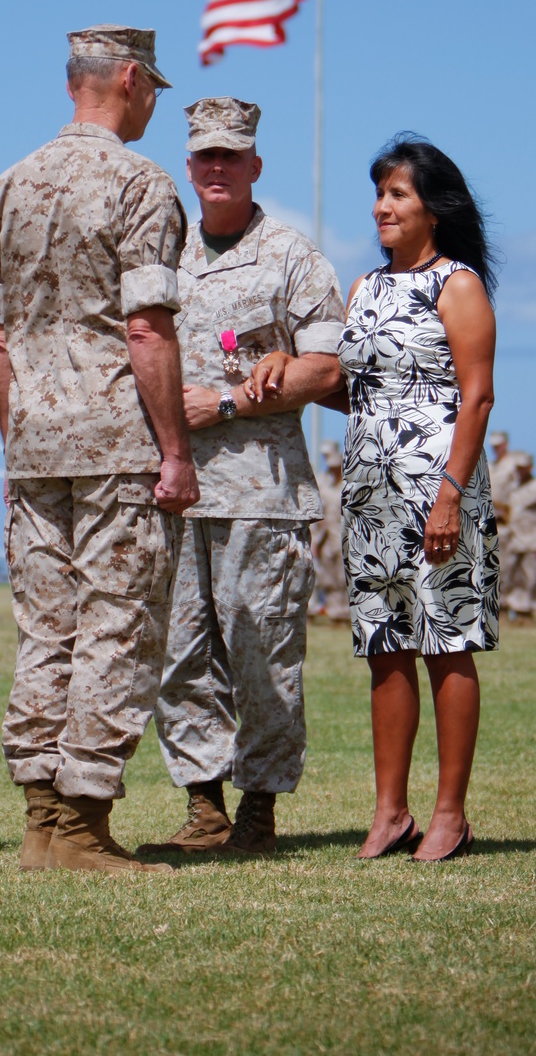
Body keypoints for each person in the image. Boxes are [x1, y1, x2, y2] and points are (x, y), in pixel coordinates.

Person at [0, 25, 198, 876]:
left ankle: (40, 819)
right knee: (116, 626)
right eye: (153, 91)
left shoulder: (6, 185)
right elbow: (146, 327)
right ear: (131, 79)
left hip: (34, 444)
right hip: (114, 443)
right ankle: (81, 827)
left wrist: (19, 445)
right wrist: (174, 451)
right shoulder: (140, 184)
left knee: (45, 632)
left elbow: (0, 345)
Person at [141, 98, 344, 858]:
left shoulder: (292, 256)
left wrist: (224, 402)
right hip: (175, 494)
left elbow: (326, 368)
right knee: (178, 654)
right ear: (189, 168)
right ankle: (204, 808)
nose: (218, 168)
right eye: (205, 157)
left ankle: (259, 808)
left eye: (232, 157)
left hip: (262, 494)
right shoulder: (164, 255)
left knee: (261, 654)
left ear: (256, 166)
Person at [326, 134, 500, 862]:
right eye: (379, 195)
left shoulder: (455, 284)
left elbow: (478, 396)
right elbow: (353, 392)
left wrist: (450, 497)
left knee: (446, 642)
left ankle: (450, 815)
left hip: (439, 489)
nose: (382, 208)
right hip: (370, 494)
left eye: (397, 194)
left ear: (434, 207)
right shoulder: (364, 288)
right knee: (385, 650)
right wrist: (279, 368)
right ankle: (390, 812)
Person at [500, 452, 536, 626]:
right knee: (510, 576)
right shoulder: (513, 487)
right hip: (513, 539)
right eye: (518, 468)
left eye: (524, 468)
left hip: (532, 539)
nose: (521, 471)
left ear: (531, 468)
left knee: (531, 577)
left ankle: (526, 612)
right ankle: (508, 609)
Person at [312, 441, 348, 626]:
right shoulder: (323, 483)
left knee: (344, 579)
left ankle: (346, 616)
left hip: (345, 538)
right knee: (329, 579)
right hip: (326, 539)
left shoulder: (348, 483)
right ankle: (335, 614)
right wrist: (315, 542)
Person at [488, 430, 522, 538]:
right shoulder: (491, 466)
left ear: (505, 444)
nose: (496, 449)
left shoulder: (513, 464)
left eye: (498, 445)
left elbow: (520, 490)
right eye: (494, 446)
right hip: (492, 516)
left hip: (508, 519)